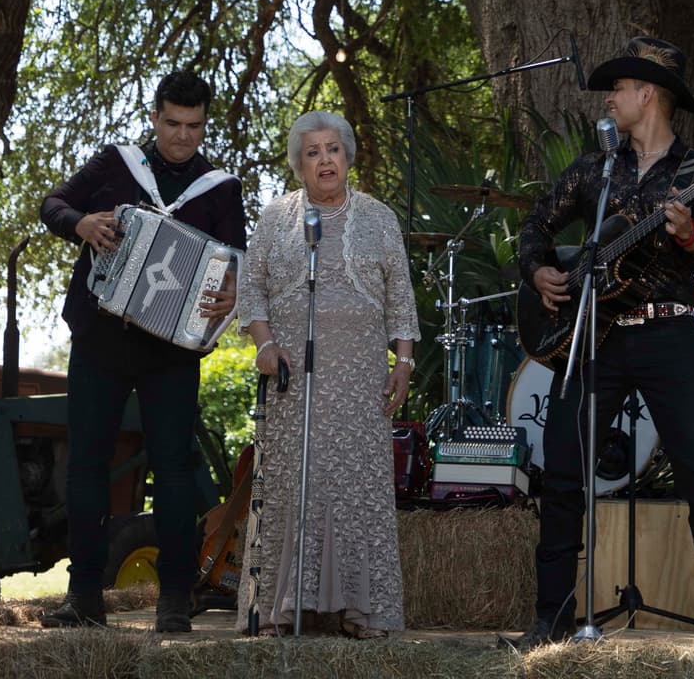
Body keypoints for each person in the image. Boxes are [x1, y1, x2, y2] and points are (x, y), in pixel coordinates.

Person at [512, 37, 694, 651]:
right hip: (594, 335)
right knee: (564, 470)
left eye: (619, 88)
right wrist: (539, 269)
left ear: (648, 94)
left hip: (669, 334)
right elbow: (537, 221)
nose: (611, 98)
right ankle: (552, 620)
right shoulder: (598, 167)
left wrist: (690, 233)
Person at [39, 67, 246, 633]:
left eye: (195, 125)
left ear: (205, 124)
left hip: (172, 354)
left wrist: (230, 292)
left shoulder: (221, 189)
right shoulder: (115, 164)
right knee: (86, 466)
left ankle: (174, 601)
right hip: (100, 339)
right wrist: (80, 223)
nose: (183, 136)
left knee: (175, 471)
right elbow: (52, 204)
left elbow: (237, 264)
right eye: (173, 123)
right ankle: (84, 598)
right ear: (154, 117)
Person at [237, 110, 418, 639]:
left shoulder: (379, 218)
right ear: (299, 165)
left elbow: (400, 299)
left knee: (356, 485)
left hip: (361, 373)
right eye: (312, 152)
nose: (324, 161)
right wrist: (265, 344)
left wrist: (402, 362)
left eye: (332, 150)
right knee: (297, 480)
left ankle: (362, 611)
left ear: (347, 156)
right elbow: (252, 292)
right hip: (296, 374)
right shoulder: (274, 218)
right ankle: (280, 609)